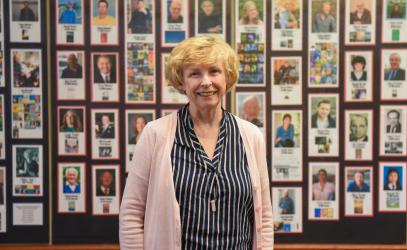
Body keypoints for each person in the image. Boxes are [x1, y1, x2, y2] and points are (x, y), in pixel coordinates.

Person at [120, 35, 273, 249]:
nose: (206, 82)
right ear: (181, 82)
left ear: (227, 77)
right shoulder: (155, 134)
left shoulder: (250, 135)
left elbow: (264, 217)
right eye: (194, 73)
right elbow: (132, 214)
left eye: (214, 71)